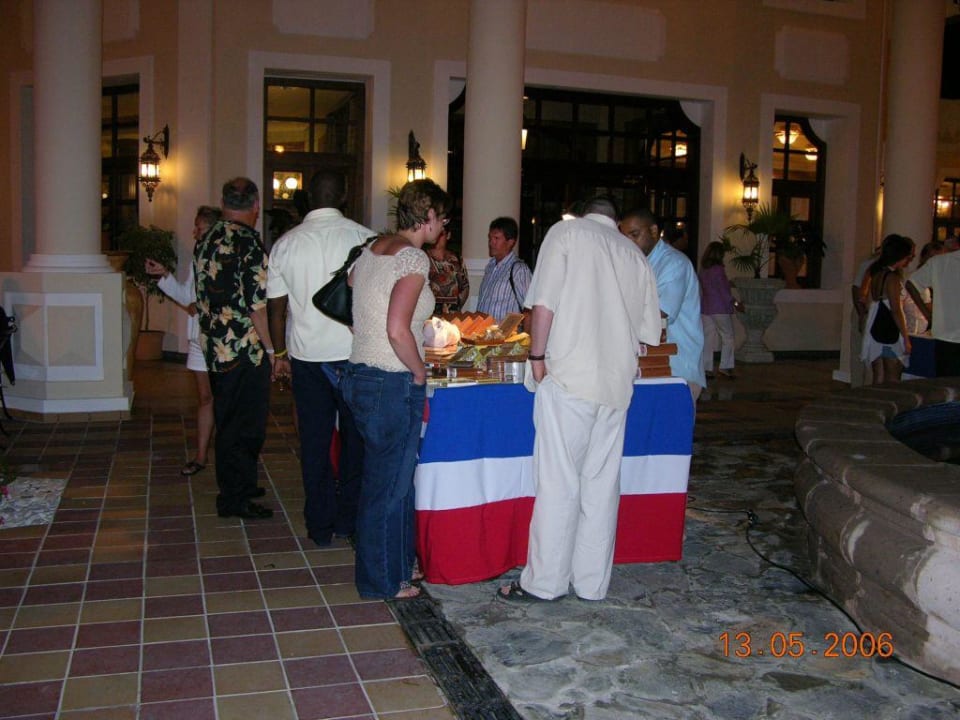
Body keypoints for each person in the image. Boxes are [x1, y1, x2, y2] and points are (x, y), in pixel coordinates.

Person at [497, 196, 661, 604]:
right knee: (601, 486)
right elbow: (647, 333)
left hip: (570, 376)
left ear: (584, 212)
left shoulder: (566, 233)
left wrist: (537, 357)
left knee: (557, 482)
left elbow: (544, 303)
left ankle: (545, 582)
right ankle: (591, 583)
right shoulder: (634, 254)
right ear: (614, 219)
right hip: (615, 384)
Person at [341, 178, 451, 600]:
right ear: (426, 217)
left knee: (395, 483)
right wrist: (419, 372)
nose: (442, 228)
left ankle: (400, 566)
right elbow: (396, 328)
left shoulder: (372, 250)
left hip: (360, 374)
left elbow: (355, 294)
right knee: (387, 488)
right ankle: (381, 581)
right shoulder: (413, 261)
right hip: (391, 381)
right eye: (440, 219)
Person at [267, 169, 372, 546]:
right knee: (355, 442)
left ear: (308, 199)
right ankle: (349, 521)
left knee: (314, 442)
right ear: (343, 196)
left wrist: (279, 354)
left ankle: (319, 525)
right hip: (354, 355)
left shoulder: (285, 244)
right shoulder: (364, 239)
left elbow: (275, 310)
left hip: (308, 358)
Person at [194, 177, 275, 520]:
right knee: (245, 426)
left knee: (229, 421)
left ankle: (239, 483)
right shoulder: (249, 243)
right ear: (255, 206)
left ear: (224, 203)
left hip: (216, 349)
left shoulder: (206, 238)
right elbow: (257, 305)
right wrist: (273, 350)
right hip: (245, 351)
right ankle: (235, 498)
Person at [145, 206, 220, 477]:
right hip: (199, 339)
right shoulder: (196, 260)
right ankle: (200, 456)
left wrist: (200, 305)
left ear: (211, 229)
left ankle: (227, 455)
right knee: (204, 397)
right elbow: (189, 300)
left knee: (224, 399)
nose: (194, 232)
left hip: (222, 341)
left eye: (199, 228)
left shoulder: (225, 258)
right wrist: (163, 275)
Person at [619, 208, 706, 401]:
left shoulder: (673, 263)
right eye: (624, 237)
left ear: (653, 231)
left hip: (675, 367)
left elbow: (661, 315)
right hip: (647, 366)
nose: (629, 243)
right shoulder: (635, 263)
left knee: (671, 430)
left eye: (634, 235)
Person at [859, 234, 915, 384]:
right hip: (889, 328)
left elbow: (862, 296)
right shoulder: (892, 277)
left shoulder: (876, 272)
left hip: (876, 325)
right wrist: (906, 337)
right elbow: (896, 309)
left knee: (878, 375)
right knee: (893, 376)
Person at [906, 238, 960, 376]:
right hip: (946, 336)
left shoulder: (939, 262)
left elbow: (912, 284)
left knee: (946, 385)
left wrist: (928, 314)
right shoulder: (940, 262)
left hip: (945, 336)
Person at [698, 240, 744, 379]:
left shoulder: (704, 270)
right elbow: (724, 291)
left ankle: (706, 368)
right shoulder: (718, 269)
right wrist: (736, 303)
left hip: (706, 307)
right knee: (728, 337)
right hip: (720, 308)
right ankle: (725, 366)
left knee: (708, 338)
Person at [476, 217, 531, 321]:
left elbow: (529, 309)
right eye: (490, 238)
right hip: (483, 334)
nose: (491, 243)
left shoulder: (519, 270)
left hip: (504, 336)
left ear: (511, 242)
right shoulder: (490, 267)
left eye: (496, 238)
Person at [426, 224, 469, 315]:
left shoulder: (456, 258)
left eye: (441, 234)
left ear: (448, 235)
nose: (437, 238)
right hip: (428, 314)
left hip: (453, 314)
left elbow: (465, 286)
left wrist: (455, 306)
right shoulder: (423, 258)